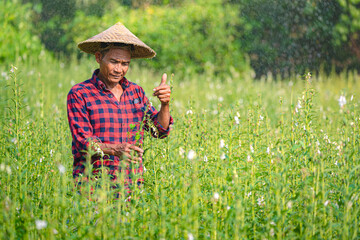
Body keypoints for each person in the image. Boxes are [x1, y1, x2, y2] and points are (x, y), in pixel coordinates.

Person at [67, 22, 173, 196]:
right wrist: (115, 149)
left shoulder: (135, 92)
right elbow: (83, 142)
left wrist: (165, 104)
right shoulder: (80, 93)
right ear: (99, 57)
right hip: (93, 187)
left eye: (125, 63)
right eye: (114, 62)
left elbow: (159, 130)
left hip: (131, 186)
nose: (119, 69)